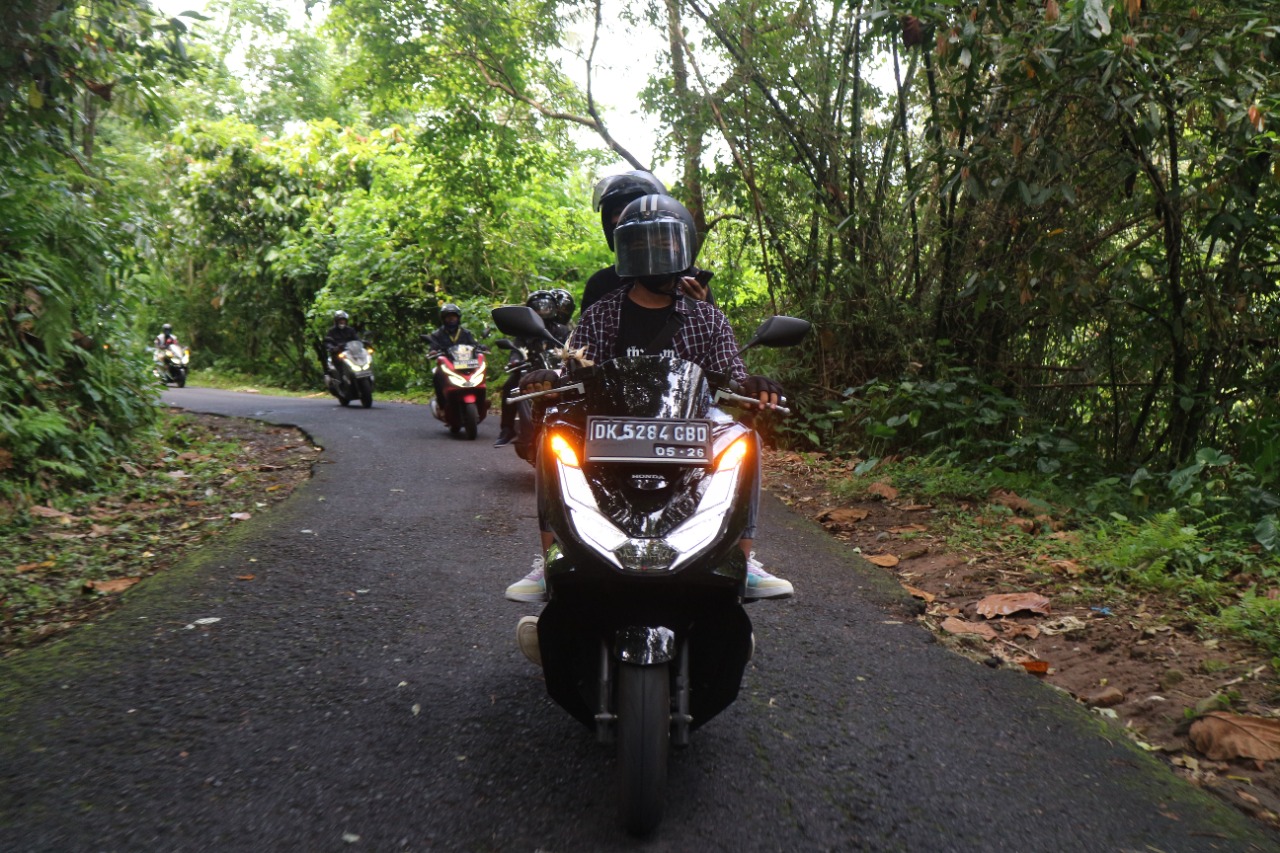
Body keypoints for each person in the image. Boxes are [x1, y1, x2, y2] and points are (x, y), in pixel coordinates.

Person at [504, 194, 794, 605]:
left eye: (662, 242)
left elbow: (730, 373)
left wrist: (751, 385)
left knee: (744, 438)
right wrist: (548, 379)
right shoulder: (601, 314)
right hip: (609, 435)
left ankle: (742, 558)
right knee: (555, 433)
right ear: (624, 249)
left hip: (689, 435)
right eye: (640, 243)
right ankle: (553, 553)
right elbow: (574, 375)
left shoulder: (708, 318)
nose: (652, 252)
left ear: (683, 247)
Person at [581, 171, 714, 314]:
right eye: (618, 211)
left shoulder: (690, 281)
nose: (627, 215)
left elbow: (711, 323)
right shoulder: (601, 283)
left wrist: (700, 308)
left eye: (636, 206)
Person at [494, 290, 572, 448]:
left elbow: (572, 347)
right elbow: (517, 350)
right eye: (538, 308)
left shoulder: (562, 330)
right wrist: (515, 361)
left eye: (546, 307)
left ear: (554, 308)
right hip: (531, 372)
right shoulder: (524, 333)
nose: (542, 311)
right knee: (510, 386)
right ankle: (507, 429)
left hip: (557, 371)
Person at [425, 303, 484, 412]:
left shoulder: (466, 333)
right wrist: (433, 351)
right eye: (448, 317)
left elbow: (474, 345)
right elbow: (432, 348)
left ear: (458, 318)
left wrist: (481, 347)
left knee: (480, 373)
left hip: (466, 363)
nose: (451, 319)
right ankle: (442, 404)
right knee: (437, 376)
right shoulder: (437, 334)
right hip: (447, 364)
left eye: (453, 317)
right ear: (444, 319)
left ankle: (481, 402)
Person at [322, 310, 359, 375]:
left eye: (343, 320)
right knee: (338, 364)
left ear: (346, 321)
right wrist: (332, 348)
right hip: (338, 353)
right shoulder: (332, 331)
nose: (342, 321)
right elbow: (327, 342)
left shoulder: (350, 330)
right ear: (336, 321)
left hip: (351, 352)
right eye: (340, 320)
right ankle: (341, 378)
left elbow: (357, 339)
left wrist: (362, 343)